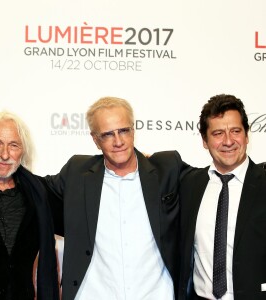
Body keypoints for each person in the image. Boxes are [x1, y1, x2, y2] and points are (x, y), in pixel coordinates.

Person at [42, 96, 189, 300]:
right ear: (95, 140)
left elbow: (207, 183)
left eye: (123, 131)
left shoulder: (166, 168)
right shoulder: (76, 172)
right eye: (108, 134)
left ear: (133, 131)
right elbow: (33, 189)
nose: (118, 141)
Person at [178, 94, 266, 300]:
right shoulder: (189, 184)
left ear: (246, 136)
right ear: (204, 141)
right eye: (218, 133)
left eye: (236, 131)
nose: (228, 141)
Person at [0, 111, 59, 300]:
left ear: (23, 151)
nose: (5, 154)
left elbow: (82, 220)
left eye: (14, 145)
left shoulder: (38, 192)